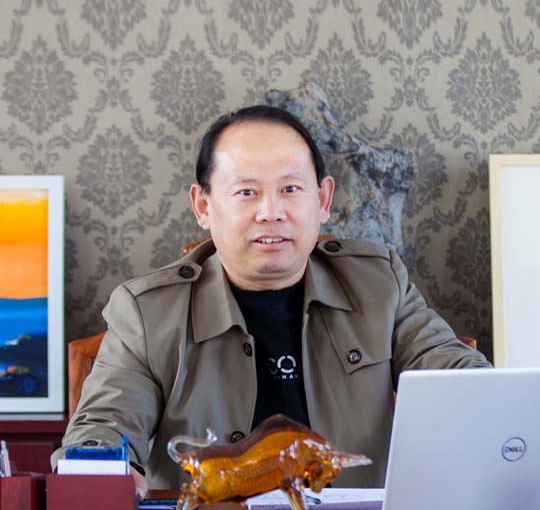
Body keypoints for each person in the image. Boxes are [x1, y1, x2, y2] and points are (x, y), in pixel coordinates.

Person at [52, 106, 490, 498]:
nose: (270, 212)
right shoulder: (148, 312)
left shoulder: (378, 285)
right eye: (247, 192)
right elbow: (104, 423)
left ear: (323, 199)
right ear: (203, 206)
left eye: (290, 189)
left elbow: (457, 374)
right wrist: (103, 472)